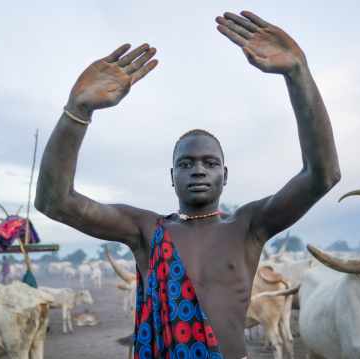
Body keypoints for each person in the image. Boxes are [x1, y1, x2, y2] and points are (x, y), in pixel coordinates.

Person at [35, 11, 340, 358]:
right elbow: (54, 201)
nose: (198, 170)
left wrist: (298, 73)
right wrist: (77, 110)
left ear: (225, 176)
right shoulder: (146, 230)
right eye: (186, 163)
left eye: (210, 163)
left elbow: (322, 175)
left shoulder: (248, 227)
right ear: (172, 177)